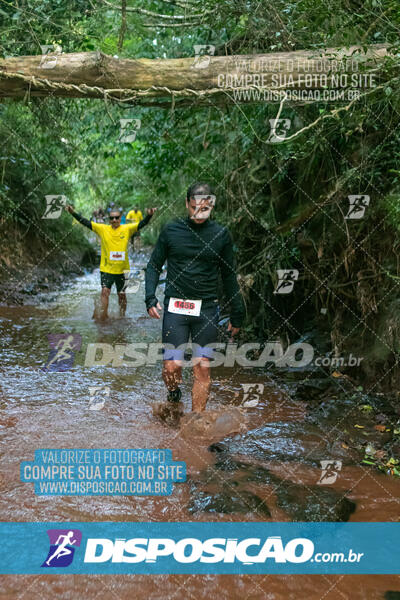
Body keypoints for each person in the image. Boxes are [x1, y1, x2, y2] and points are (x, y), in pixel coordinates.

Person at [145, 182, 244, 413]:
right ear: (187, 204)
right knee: (171, 366)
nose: (199, 213)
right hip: (176, 308)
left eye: (204, 209)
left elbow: (229, 275)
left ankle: (197, 422)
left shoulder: (221, 235)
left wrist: (237, 313)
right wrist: (150, 297)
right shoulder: (171, 231)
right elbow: (153, 266)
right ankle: (174, 393)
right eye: (193, 208)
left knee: (202, 367)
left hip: (207, 310)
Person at [65, 204, 156, 320]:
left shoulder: (127, 228)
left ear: (120, 218)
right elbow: (86, 223)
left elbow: (142, 224)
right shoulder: (102, 229)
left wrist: (149, 216)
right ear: (109, 219)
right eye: (111, 218)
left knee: (122, 295)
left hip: (122, 269)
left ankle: (122, 317)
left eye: (117, 217)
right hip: (106, 268)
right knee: (104, 292)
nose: (114, 220)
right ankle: (104, 317)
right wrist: (73, 213)